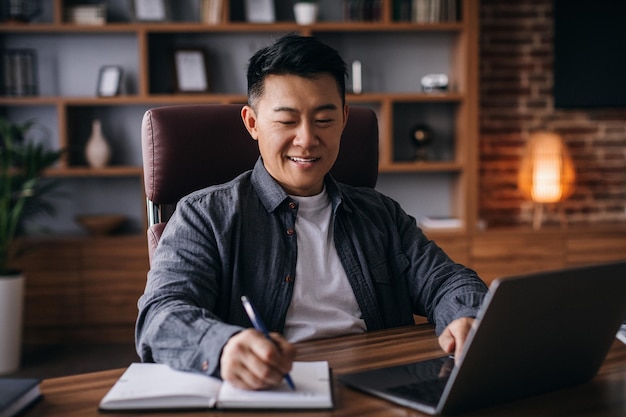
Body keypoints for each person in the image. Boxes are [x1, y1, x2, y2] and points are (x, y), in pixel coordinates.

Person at [136, 33, 488, 391]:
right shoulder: (204, 216)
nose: (306, 139)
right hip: (272, 392)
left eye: (323, 120)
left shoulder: (380, 214)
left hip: (378, 386)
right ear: (252, 123)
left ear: (344, 119)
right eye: (287, 121)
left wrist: (467, 316)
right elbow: (161, 315)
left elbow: (446, 280)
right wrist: (222, 347)